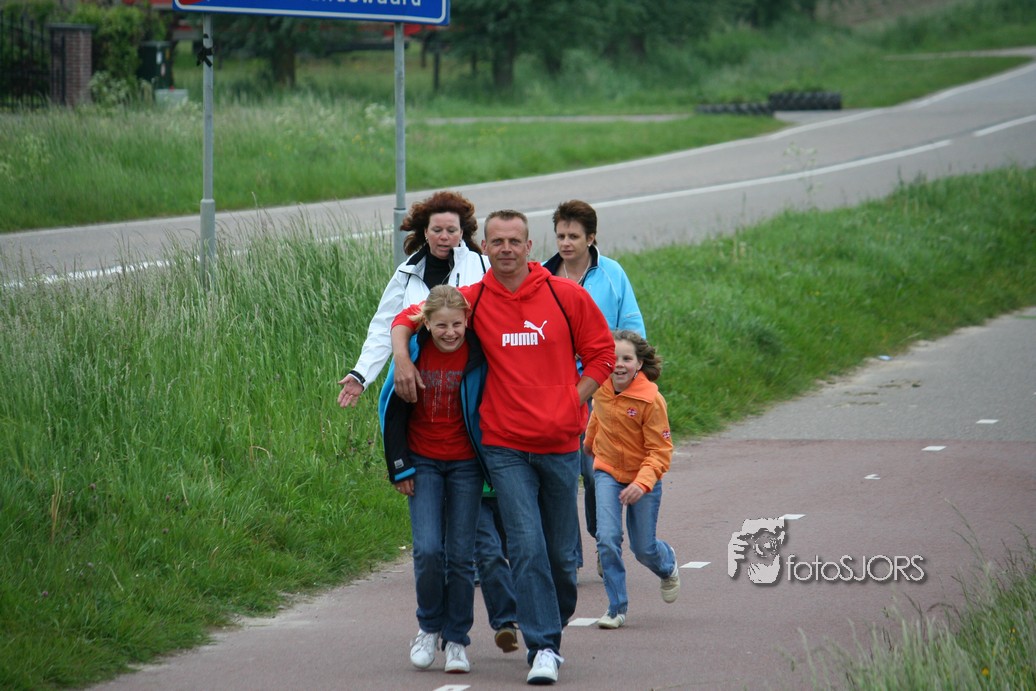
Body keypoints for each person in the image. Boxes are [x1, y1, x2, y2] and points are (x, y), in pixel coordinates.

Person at [390, 210, 615, 686]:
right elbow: (409, 318)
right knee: (527, 545)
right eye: (497, 242)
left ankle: (550, 617)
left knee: (562, 558)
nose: (506, 249)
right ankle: (544, 647)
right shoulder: (475, 299)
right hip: (503, 444)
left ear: (529, 246)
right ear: (485, 248)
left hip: (559, 443)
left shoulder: (565, 295)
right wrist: (402, 360)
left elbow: (601, 354)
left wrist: (571, 400)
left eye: (515, 241)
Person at [378, 285, 487, 674]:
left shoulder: (479, 352)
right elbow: (392, 412)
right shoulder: (412, 354)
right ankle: (428, 628)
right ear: (425, 323)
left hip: (466, 465)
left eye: (457, 324)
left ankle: (456, 639)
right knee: (427, 550)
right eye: (441, 325)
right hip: (423, 462)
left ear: (467, 320)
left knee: (460, 555)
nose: (450, 332)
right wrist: (400, 467)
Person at [543, 200, 646, 575]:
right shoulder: (542, 276)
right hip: (556, 388)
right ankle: (568, 556)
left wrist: (630, 380)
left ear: (591, 238)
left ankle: (604, 542)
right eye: (560, 236)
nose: (565, 243)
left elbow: (633, 331)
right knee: (561, 474)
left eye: (573, 236)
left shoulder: (612, 274)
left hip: (601, 387)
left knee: (595, 469)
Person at [337, 190, 487, 409]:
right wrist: (361, 375)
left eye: (451, 230)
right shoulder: (406, 272)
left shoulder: (483, 266)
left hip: (469, 377)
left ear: (462, 232)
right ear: (425, 231)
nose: (444, 236)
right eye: (437, 230)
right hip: (418, 379)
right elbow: (385, 325)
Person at [583, 330, 679, 630]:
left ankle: (667, 564)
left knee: (643, 549)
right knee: (607, 538)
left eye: (626, 358)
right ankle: (616, 607)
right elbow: (598, 416)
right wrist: (589, 443)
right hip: (608, 471)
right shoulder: (599, 386)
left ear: (639, 364)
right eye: (613, 358)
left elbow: (660, 451)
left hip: (642, 477)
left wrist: (641, 483)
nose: (618, 364)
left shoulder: (651, 400)